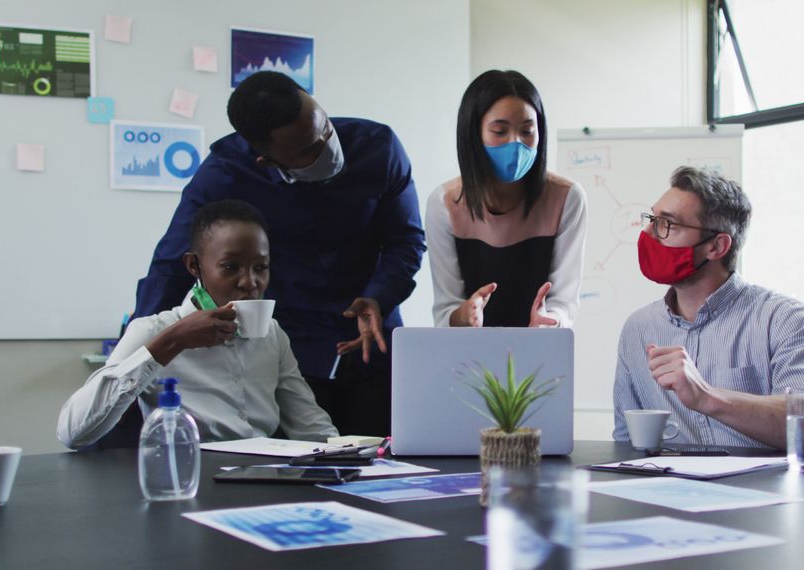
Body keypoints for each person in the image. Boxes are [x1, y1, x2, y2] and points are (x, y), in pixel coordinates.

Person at [133, 71, 425, 437]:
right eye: (308, 150)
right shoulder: (225, 175)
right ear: (267, 161)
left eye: (326, 130)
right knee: (292, 466)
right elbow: (172, 265)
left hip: (367, 334)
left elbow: (407, 240)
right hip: (285, 341)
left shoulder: (377, 146)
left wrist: (380, 296)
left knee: (377, 458)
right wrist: (147, 347)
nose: (328, 149)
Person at [59, 200, 337, 449]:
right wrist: (171, 342)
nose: (250, 282)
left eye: (260, 268)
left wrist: (352, 459)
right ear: (194, 266)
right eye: (231, 267)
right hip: (189, 479)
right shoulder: (155, 330)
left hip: (259, 479)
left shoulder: (272, 334)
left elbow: (309, 424)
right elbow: (73, 433)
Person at [612, 166, 804, 452]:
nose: (649, 233)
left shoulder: (784, 320)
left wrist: (708, 397)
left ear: (716, 246)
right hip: (669, 493)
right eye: (652, 219)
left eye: (669, 224)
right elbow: (626, 442)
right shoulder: (638, 328)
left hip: (763, 492)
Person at [426, 70, 586, 327]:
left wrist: (550, 320)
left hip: (542, 351)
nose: (516, 144)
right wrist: (466, 313)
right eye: (500, 131)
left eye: (527, 131)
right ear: (473, 134)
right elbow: (446, 309)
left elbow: (564, 301)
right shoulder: (446, 203)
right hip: (468, 356)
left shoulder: (566, 198)